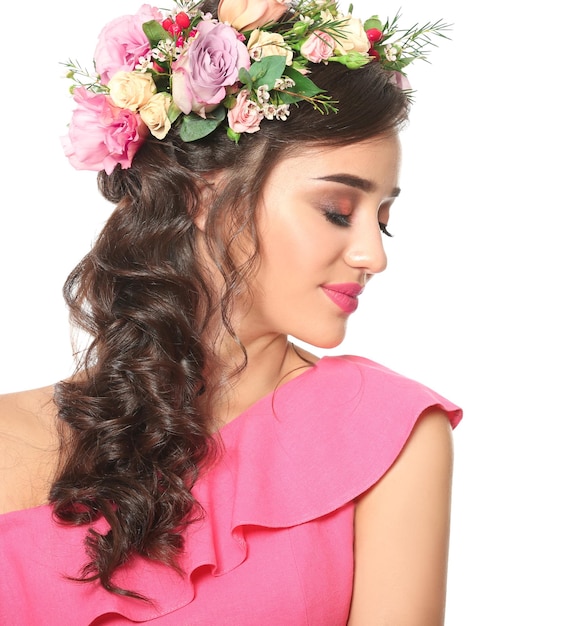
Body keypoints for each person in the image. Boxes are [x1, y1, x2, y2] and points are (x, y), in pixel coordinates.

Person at [0, 0, 462, 624]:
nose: (372, 255)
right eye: (337, 210)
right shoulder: (9, 436)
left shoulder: (386, 433)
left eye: (384, 220)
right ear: (202, 195)